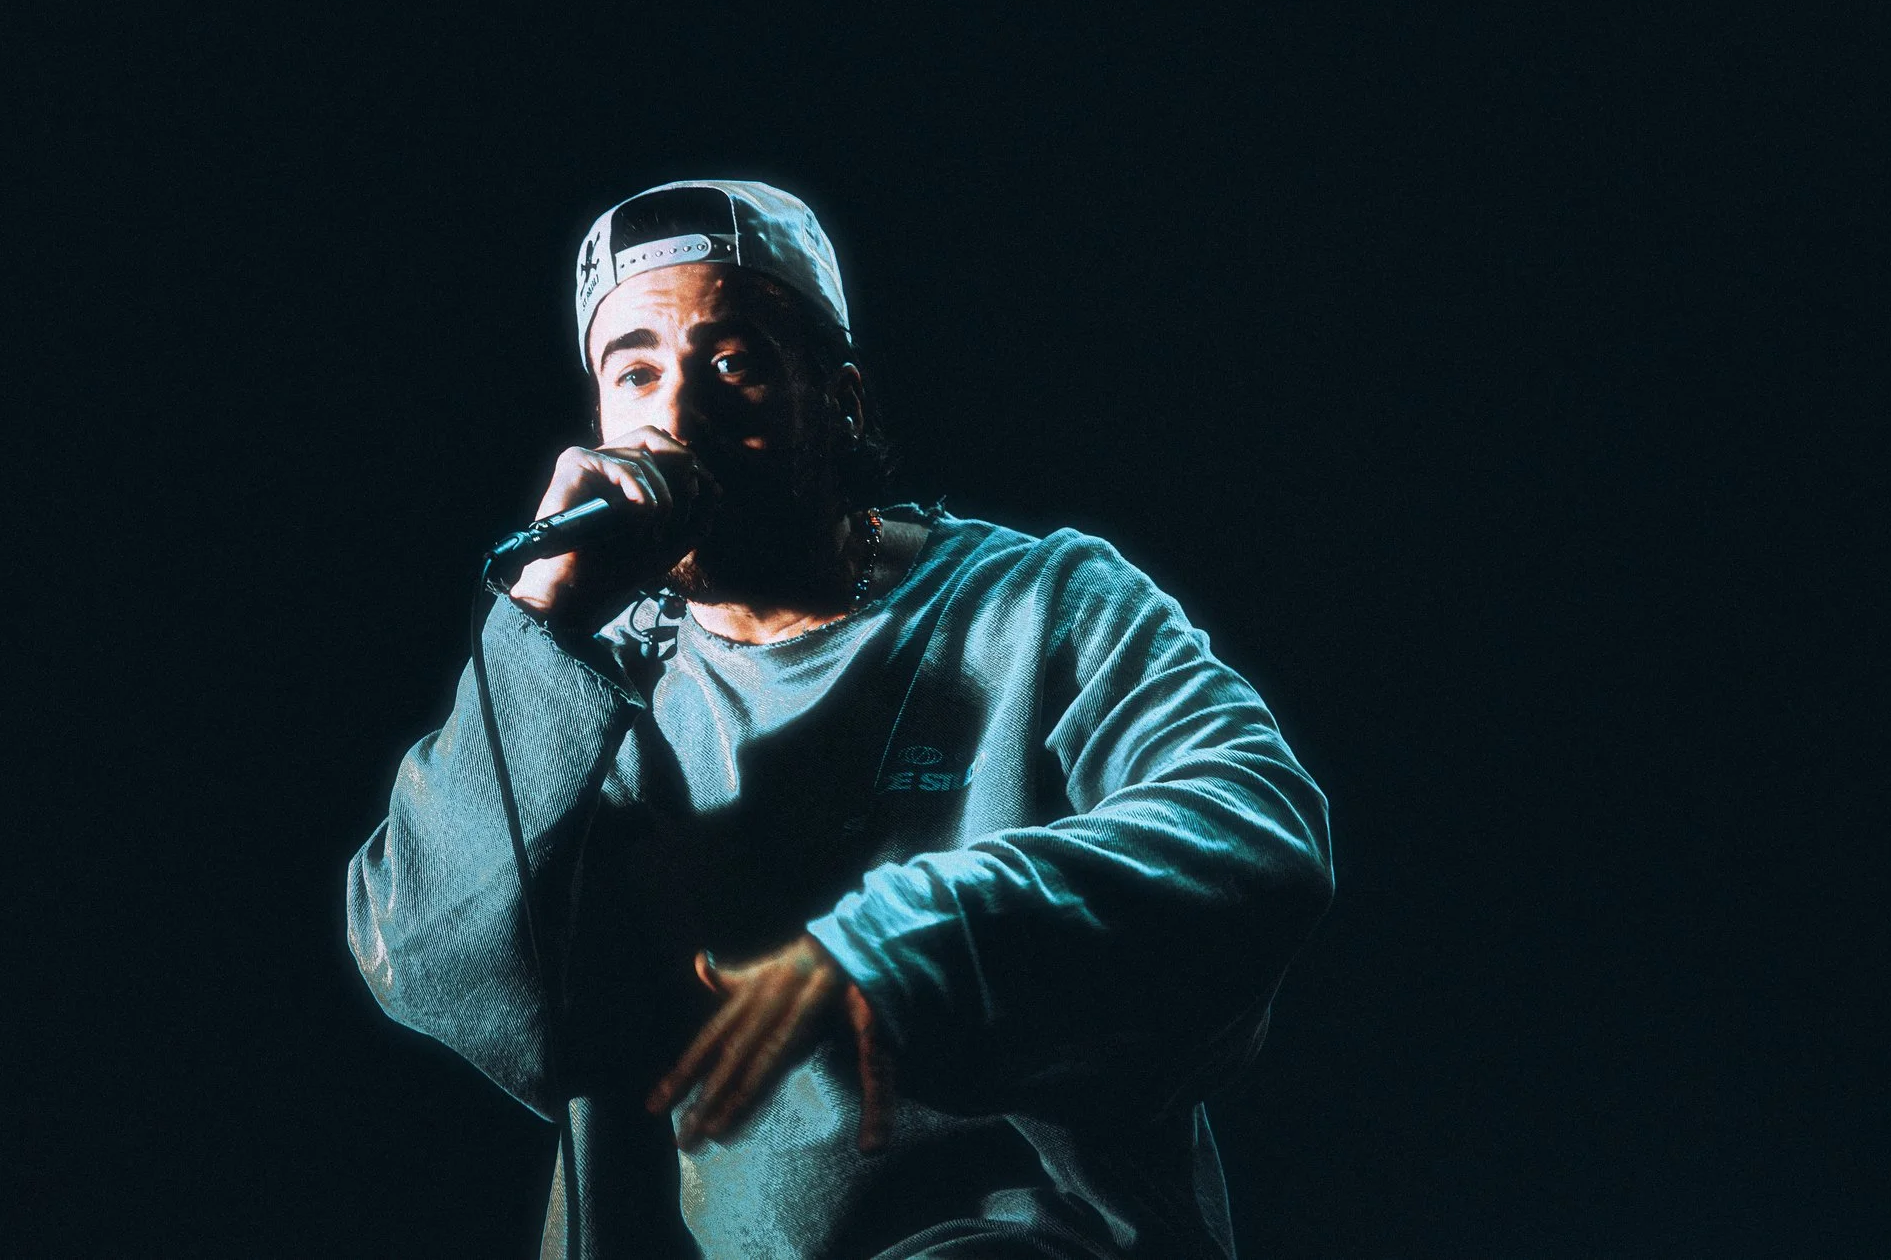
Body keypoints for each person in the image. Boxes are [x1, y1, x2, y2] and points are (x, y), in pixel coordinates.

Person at [346, 179, 1334, 1259]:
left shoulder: (1043, 603)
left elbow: (1255, 828)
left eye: (734, 363)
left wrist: (908, 939)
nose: (677, 416)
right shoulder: (587, 681)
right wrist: (539, 628)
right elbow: (428, 960)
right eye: (635, 372)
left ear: (843, 402)